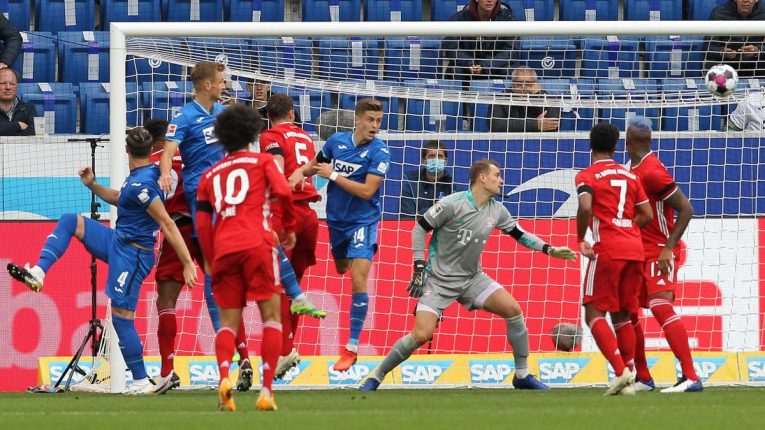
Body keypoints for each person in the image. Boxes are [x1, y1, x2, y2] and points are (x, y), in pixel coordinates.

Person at [7, 128, 197, 395]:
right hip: (118, 241)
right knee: (71, 220)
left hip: (134, 254)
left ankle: (142, 381)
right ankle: (39, 271)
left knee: (121, 317)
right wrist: (93, 186)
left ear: (126, 150)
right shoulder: (149, 175)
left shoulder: (142, 185)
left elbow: (166, 222)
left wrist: (187, 262)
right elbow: (120, 198)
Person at [359, 159, 576, 392]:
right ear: (482, 178)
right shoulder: (452, 204)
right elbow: (420, 227)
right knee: (421, 334)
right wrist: (419, 266)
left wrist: (549, 249)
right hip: (438, 281)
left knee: (512, 310)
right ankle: (377, 376)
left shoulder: (497, 209)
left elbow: (520, 234)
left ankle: (522, 375)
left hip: (472, 279)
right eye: (497, 175)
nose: (501, 180)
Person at [196, 104, 296, 412]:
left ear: (222, 137)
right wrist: (288, 227)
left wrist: (211, 257)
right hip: (258, 244)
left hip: (225, 249)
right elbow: (284, 192)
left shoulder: (209, 174)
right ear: (253, 132)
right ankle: (266, 390)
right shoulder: (263, 161)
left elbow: (202, 222)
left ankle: (224, 378)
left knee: (228, 322)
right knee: (271, 317)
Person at [289, 98, 391, 371]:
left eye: (379, 121)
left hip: (364, 220)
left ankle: (351, 347)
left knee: (358, 279)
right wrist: (298, 173)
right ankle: (343, 258)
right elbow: (315, 164)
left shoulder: (379, 152)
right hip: (336, 222)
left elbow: (367, 191)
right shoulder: (336, 142)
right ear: (357, 120)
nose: (374, 126)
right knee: (341, 268)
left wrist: (333, 176)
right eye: (370, 120)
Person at [625, 116, 703, 393]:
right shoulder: (630, 169)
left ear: (627, 141)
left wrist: (669, 247)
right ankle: (644, 377)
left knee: (660, 306)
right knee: (628, 312)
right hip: (636, 251)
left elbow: (686, 208)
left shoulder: (653, 171)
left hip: (659, 251)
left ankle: (691, 376)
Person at [575, 122, 653, 396]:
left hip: (608, 250)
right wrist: (628, 229)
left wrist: (580, 238)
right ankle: (629, 375)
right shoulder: (631, 176)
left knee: (593, 311)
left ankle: (620, 371)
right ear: (617, 146)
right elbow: (647, 215)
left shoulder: (588, 175)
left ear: (589, 144)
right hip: (635, 250)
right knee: (624, 314)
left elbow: (585, 206)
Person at [259, 93, 327, 379]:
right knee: (293, 288)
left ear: (269, 115)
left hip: (284, 212)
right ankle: (288, 349)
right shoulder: (305, 138)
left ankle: (284, 350)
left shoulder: (270, 136)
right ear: (292, 113)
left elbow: (275, 168)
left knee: (275, 287)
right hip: (310, 216)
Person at [145, 118, 207, 394]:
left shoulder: (154, 163)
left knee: (166, 300)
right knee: (221, 293)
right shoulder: (196, 153)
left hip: (177, 229)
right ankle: (243, 360)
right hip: (208, 227)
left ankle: (167, 370)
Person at [444, 0, 518, 81]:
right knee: (455, 70)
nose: (490, 0)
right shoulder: (459, 18)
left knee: (509, 70)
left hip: (494, 66)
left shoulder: (508, 20)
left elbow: (510, 51)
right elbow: (451, 48)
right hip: (466, 66)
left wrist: (485, 66)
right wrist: (469, 64)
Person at [490, 67, 560, 133]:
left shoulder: (542, 96)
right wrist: (535, 124)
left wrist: (539, 94)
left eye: (528, 83)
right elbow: (495, 124)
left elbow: (555, 122)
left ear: (535, 85)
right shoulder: (500, 97)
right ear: (513, 84)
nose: (523, 88)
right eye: (519, 83)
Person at [705, 0, 765, 77]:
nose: (745, 0)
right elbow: (708, 47)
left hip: (756, 65)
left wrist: (757, 51)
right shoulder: (718, 13)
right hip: (726, 65)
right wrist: (722, 52)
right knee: (712, 63)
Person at [400, 140, 456, 217]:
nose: (436, 160)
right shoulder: (410, 188)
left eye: (440, 156)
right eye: (431, 156)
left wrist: (423, 212)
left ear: (445, 161)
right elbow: (407, 218)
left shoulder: (454, 189)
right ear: (424, 161)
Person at [0, 68, 36, 136]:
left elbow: (34, 131)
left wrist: (5, 130)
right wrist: (18, 125)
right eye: (3, 83)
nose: (8, 87)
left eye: (12, 84)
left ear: (17, 86)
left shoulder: (29, 109)